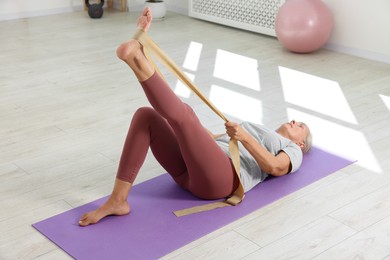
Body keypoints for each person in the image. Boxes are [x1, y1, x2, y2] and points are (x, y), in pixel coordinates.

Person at [78, 7, 312, 226]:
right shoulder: (263, 131)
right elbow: (208, 139)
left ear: (301, 143)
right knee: (146, 116)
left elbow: (275, 168)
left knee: (185, 116)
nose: (294, 121)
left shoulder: (291, 150)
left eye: (300, 125)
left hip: (221, 180)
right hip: (190, 172)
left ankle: (136, 59)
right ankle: (118, 200)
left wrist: (244, 137)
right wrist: (189, 130)